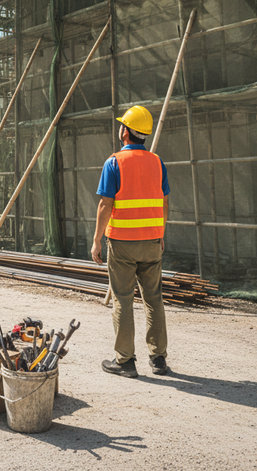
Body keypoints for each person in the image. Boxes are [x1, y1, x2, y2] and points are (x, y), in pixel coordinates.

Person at [91, 105, 170, 378]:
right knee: (154, 299)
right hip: (152, 242)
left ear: (125, 131)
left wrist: (97, 240)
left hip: (122, 243)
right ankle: (158, 359)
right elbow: (164, 202)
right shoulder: (157, 162)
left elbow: (105, 205)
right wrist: (160, 234)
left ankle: (125, 362)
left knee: (123, 300)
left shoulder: (114, 162)